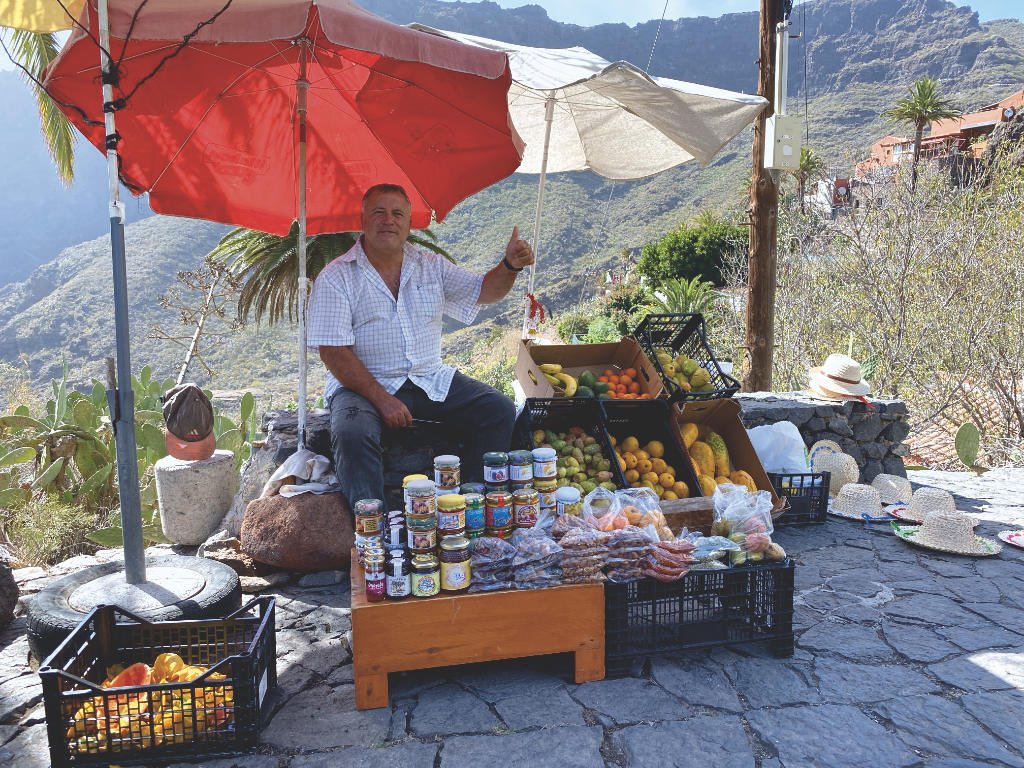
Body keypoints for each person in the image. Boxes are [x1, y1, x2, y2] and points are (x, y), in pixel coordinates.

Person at [307, 183, 535, 507]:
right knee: (351, 434)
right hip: (362, 386)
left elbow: (484, 291)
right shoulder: (337, 277)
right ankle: (371, 527)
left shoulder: (430, 265)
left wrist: (510, 265)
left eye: (398, 213)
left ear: (409, 224)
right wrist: (382, 400)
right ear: (363, 220)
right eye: (379, 212)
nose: (389, 220)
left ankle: (467, 506)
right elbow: (333, 352)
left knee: (497, 410)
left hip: (429, 378)